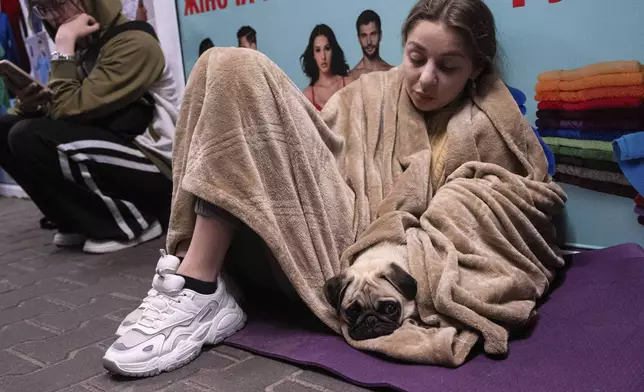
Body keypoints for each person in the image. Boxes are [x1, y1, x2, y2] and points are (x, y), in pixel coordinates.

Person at [104, 0, 562, 377]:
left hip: (356, 257)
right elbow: (320, 152)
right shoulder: (367, 94)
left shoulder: (486, 127)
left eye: (447, 67)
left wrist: (434, 220)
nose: (425, 79)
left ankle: (200, 287)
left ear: (475, 70)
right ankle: (197, 282)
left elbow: (520, 206)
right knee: (224, 63)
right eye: (416, 58)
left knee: (231, 67)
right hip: (329, 217)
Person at [0, 0, 179, 254]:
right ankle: (74, 220)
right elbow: (60, 109)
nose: (53, 17)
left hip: (158, 167)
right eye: (43, 9)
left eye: (57, 4)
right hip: (119, 153)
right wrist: (29, 104)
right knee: (7, 129)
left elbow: (66, 110)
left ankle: (133, 224)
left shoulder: (135, 43)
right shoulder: (84, 46)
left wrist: (62, 47)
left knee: (29, 135)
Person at [301, 24, 351, 111]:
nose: (323, 56)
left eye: (327, 48)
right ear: (313, 55)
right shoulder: (308, 95)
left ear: (333, 50)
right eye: (318, 50)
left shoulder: (348, 83)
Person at [350, 10, 393, 78]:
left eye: (373, 34)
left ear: (380, 35)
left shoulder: (392, 72)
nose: (369, 42)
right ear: (359, 39)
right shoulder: (351, 77)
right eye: (364, 36)